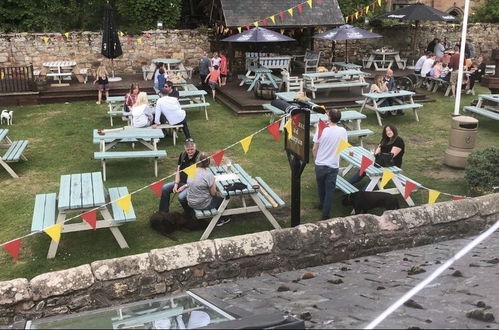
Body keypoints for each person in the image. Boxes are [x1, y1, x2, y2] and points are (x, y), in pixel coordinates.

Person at [312, 109, 348, 220]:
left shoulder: (321, 128)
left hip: (320, 164)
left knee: (321, 186)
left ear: (329, 117)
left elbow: (314, 148)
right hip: (333, 165)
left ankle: (322, 205)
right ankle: (325, 214)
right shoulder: (342, 131)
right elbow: (344, 146)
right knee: (329, 190)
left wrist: (316, 160)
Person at [187, 153, 230, 226]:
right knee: (222, 200)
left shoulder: (191, 171)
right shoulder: (208, 175)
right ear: (208, 162)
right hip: (203, 204)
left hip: (191, 202)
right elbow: (213, 193)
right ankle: (221, 219)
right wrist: (214, 185)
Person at [159, 139, 201, 215]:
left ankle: (189, 213)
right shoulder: (183, 155)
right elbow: (178, 170)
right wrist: (176, 183)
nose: (190, 151)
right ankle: (163, 212)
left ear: (195, 147)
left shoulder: (199, 157)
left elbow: (198, 178)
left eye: (192, 149)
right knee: (165, 188)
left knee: (181, 197)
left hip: (192, 184)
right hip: (181, 181)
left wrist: (184, 186)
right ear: (185, 148)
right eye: (188, 150)